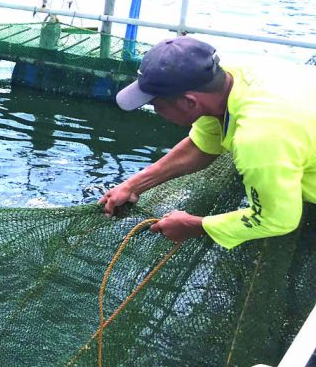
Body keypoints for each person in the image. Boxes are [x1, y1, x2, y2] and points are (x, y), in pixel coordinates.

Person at [100, 36, 316, 248]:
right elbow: (201, 146)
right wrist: (133, 186)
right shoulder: (228, 76)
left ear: (189, 101)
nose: (156, 112)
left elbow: (276, 219)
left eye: (156, 104)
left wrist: (196, 225)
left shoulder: (258, 138)